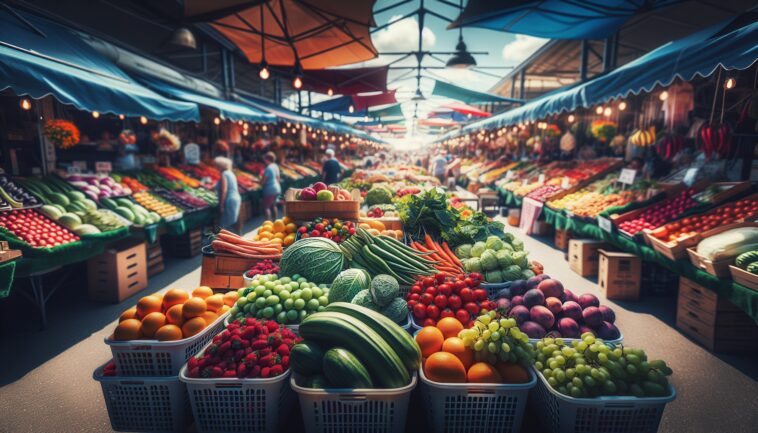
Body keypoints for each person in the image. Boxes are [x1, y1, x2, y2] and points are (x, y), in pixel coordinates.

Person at [214, 156, 242, 231]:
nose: (215, 167)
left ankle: (227, 241)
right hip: (236, 198)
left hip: (230, 199)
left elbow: (224, 190)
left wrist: (221, 204)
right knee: (232, 222)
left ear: (220, 166)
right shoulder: (230, 173)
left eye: (216, 165)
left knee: (224, 225)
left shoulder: (224, 174)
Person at [261, 152, 281, 221]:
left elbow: (263, 181)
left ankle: (267, 223)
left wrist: (259, 181)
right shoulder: (275, 166)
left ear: (267, 159)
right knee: (274, 205)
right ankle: (275, 221)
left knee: (266, 207)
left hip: (270, 189)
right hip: (277, 188)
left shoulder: (268, 168)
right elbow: (278, 178)